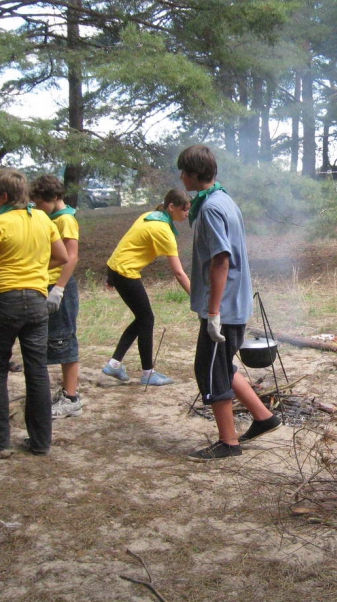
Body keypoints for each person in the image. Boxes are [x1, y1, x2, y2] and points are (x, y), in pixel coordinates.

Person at [177, 145, 281, 460]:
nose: (181, 177)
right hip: (233, 303)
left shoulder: (211, 208)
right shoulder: (223, 199)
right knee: (221, 365)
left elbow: (221, 260)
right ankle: (263, 417)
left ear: (194, 173)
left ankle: (228, 443)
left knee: (210, 370)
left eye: (183, 171)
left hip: (224, 307)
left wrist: (213, 313)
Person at [0, 168, 68, 457]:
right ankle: (40, 441)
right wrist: (35, 269)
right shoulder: (42, 218)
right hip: (37, 301)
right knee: (37, 370)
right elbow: (62, 256)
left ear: (3, 196)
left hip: (4, 301)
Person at [102, 189, 192, 386]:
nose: (187, 214)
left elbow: (126, 244)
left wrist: (110, 276)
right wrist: (196, 297)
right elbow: (178, 273)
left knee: (142, 318)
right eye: (184, 209)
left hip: (115, 268)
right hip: (126, 273)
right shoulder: (163, 231)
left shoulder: (149, 216)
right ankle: (147, 373)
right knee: (146, 319)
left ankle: (115, 364)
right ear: (172, 207)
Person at [29, 175, 83, 418]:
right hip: (47, 284)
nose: (38, 207)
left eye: (40, 202)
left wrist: (59, 289)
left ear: (54, 198)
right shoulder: (52, 217)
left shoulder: (65, 220)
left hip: (59, 287)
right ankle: (65, 392)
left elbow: (71, 257)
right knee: (54, 339)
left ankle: (71, 398)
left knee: (64, 339)